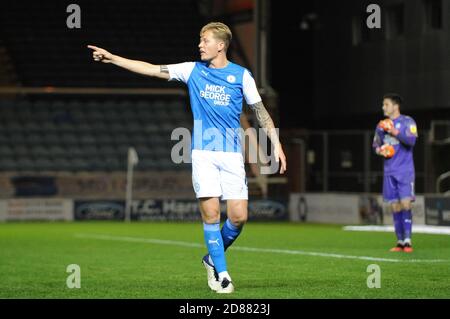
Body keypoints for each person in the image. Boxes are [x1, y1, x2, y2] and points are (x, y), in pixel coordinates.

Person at [88, 22, 287, 293]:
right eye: (200, 40)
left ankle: (210, 258)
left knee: (239, 217)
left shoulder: (241, 76)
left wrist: (275, 144)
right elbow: (150, 68)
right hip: (203, 153)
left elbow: (260, 111)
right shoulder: (192, 69)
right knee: (212, 215)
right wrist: (113, 58)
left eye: (204, 40)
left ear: (221, 45)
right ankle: (223, 273)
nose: (200, 45)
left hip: (231, 155)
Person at [373, 93, 417, 253]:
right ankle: (399, 241)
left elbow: (412, 141)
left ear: (395, 106)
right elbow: (375, 145)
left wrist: (394, 131)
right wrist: (381, 151)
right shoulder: (381, 126)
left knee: (406, 203)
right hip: (389, 171)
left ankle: (408, 241)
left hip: (405, 170)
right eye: (383, 104)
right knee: (395, 207)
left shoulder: (407, 121)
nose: (383, 107)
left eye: (386, 104)